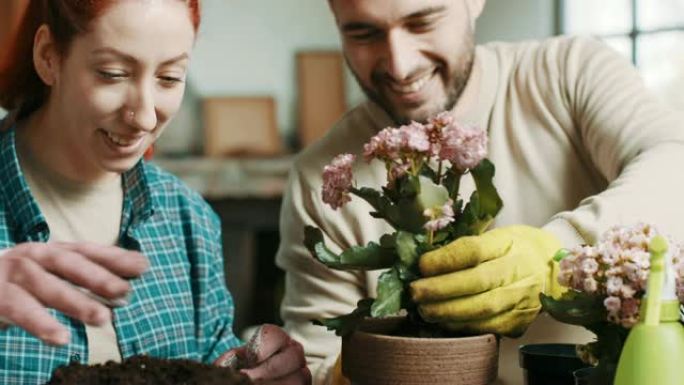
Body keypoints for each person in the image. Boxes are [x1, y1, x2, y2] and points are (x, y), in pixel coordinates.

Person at [275, 0, 684, 384]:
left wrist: (559, 252)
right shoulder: (322, 177)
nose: (400, 65)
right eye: (363, 34)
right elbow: (317, 364)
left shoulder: (568, 73)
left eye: (423, 21)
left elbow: (673, 161)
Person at [0, 1, 310, 384]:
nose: (145, 117)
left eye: (169, 78)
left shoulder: (188, 219)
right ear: (49, 57)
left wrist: (259, 369)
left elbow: (216, 368)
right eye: (113, 74)